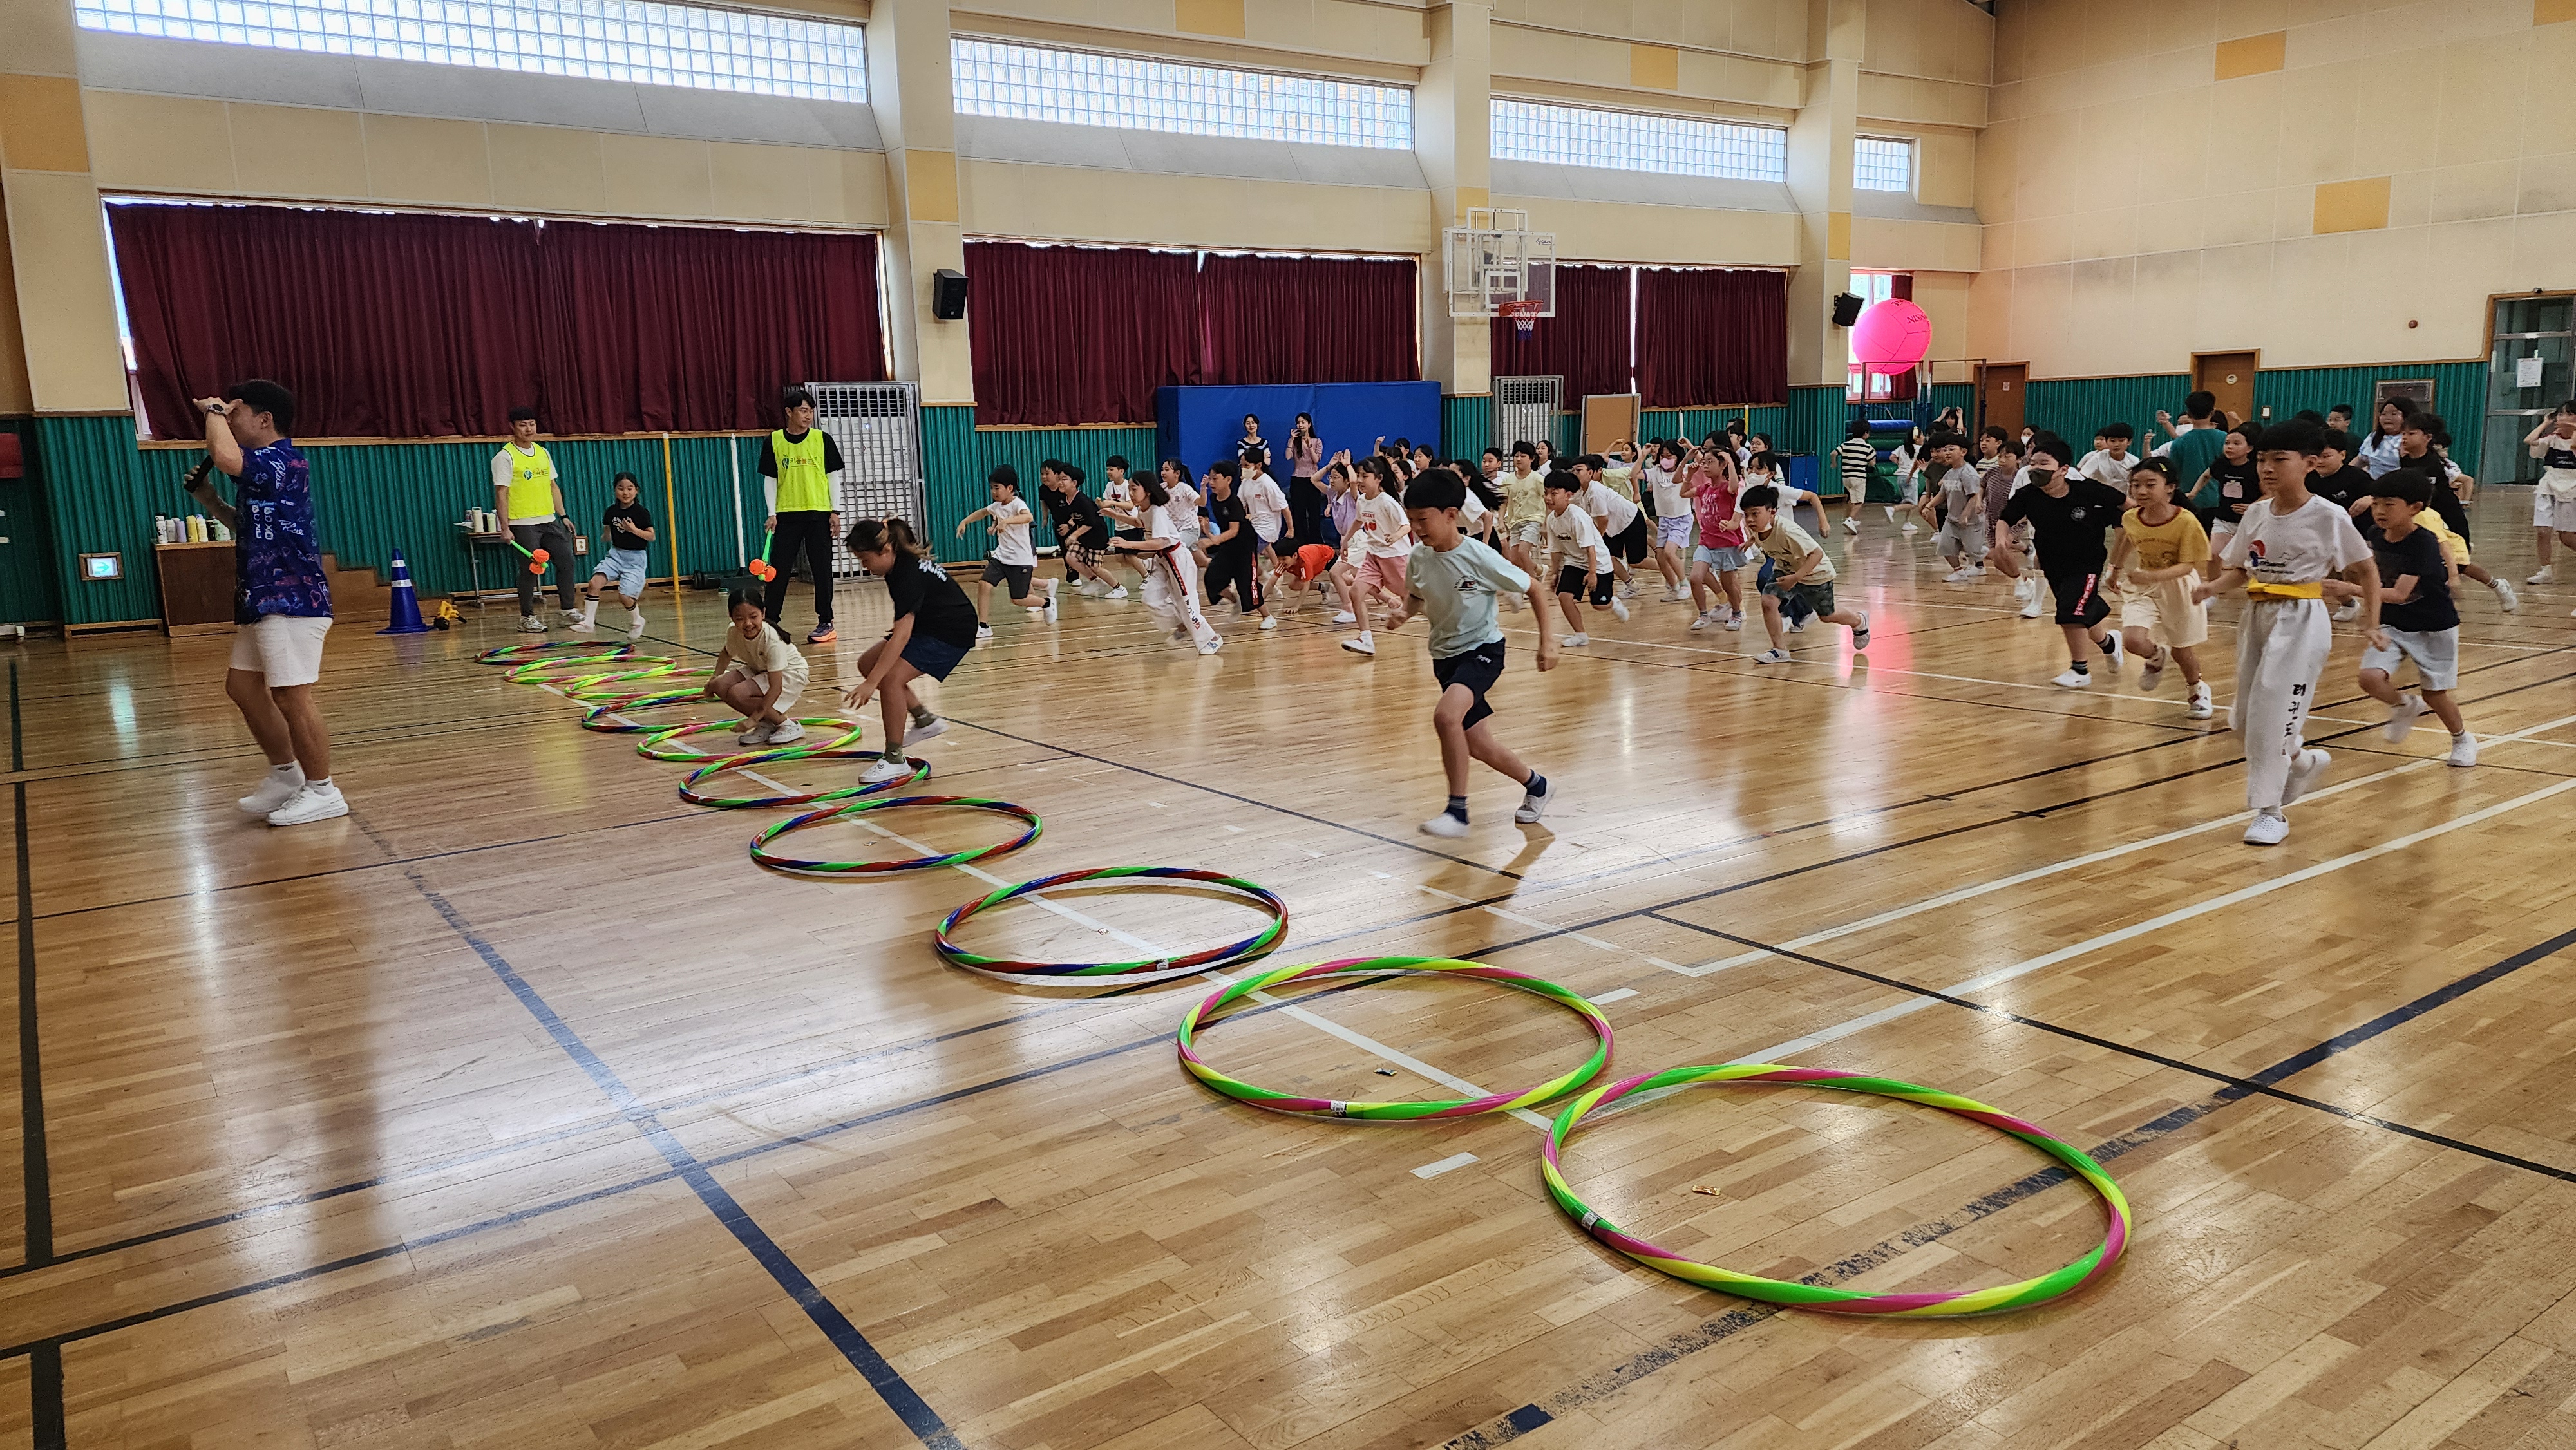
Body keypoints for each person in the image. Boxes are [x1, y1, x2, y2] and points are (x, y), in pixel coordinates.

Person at [2192, 419, 2379, 847]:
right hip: (2258, 616)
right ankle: (2302, 762)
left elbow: (2366, 569)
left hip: (2301, 620)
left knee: (2273, 716)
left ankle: (2270, 812)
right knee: (2244, 719)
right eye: (2262, 460)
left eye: (2279, 460)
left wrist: (2371, 622)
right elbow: (2241, 569)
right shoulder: (2257, 513)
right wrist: (2210, 588)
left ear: (2309, 463)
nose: (2267, 468)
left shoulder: (2328, 515)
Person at [187, 379, 345, 827]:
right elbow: (250, 526)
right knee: (243, 688)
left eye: (235, 413)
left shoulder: (282, 459)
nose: (228, 421)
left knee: (292, 696)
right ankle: (287, 775)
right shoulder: (263, 469)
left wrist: (213, 411)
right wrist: (210, 499)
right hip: (262, 597)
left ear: (264, 419)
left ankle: (324, 791)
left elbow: (224, 457)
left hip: (292, 597)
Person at [1368, 468, 1558, 837]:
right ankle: (1538, 786)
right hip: (1445, 657)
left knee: (1446, 717)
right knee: (1478, 744)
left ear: (1451, 514)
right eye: (1411, 520)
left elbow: (1534, 588)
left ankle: (1458, 812)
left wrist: (1547, 641)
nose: (1416, 528)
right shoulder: (1420, 557)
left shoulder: (1479, 556)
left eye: (1423, 519)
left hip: (1483, 649)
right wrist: (1403, 613)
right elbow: (1416, 595)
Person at [2344, 469, 2476, 767]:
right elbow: (2373, 578)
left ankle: (2461, 738)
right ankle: (2404, 705)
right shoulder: (2375, 535)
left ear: (2415, 508)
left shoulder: (2423, 542)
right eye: (2376, 504)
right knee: (2369, 677)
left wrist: (2350, 589)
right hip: (2393, 624)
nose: (2379, 511)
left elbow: (2400, 593)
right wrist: (2371, 621)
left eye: (2389, 505)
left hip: (2434, 626)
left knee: (2435, 695)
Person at [844, 518, 981, 782]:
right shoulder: (898, 565)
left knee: (890, 679)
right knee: (867, 664)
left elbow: (902, 636)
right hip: (929, 624)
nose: (864, 566)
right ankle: (924, 719)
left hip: (951, 632)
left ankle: (895, 758)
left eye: (865, 559)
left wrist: (872, 684)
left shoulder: (906, 574)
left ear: (886, 550)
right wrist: (871, 676)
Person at [1995, 437, 2128, 687]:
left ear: (2063, 469)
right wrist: (2001, 540)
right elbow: (2006, 518)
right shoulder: (2028, 495)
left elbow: (2127, 506)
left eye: (2044, 464)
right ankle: (2110, 644)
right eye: (2033, 463)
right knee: (2083, 613)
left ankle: (2080, 670)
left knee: (2071, 613)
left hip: (2087, 564)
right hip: (2053, 564)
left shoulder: (2088, 491)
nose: (2036, 469)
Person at [2101, 459, 2214, 720]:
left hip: (2179, 587)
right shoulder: (2131, 517)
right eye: (2135, 485)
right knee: (2132, 640)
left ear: (2170, 487)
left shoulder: (2186, 521)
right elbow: (2128, 539)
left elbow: (2187, 566)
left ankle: (2197, 689)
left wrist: (2152, 575)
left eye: (2150, 485)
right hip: (2143, 586)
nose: (2141, 491)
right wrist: (2115, 569)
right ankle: (2155, 657)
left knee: (2182, 650)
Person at [1743, 483, 1869, 664]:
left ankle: (1859, 621)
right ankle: (1780, 650)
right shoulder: (1758, 529)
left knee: (1827, 616)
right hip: (1786, 570)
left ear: (1772, 512)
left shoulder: (1788, 532)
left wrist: (1796, 578)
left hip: (1815, 574)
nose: (1750, 519)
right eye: (1746, 515)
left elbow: (1817, 554)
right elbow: (1763, 536)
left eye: (1755, 514)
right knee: (1768, 601)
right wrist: (1751, 541)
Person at [759, 386, 846, 645]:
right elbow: (770, 480)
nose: (808, 416)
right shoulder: (774, 441)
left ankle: (826, 622)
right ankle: (770, 620)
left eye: (811, 412)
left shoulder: (822, 439)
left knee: (822, 569)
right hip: (787, 515)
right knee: (778, 570)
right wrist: (772, 513)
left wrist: (835, 511)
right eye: (803, 411)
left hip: (819, 513)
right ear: (789, 412)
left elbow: (833, 477)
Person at [1112, 473, 1223, 655]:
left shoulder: (1158, 511)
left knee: (1186, 604)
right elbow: (1139, 522)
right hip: (1163, 560)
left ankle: (1211, 639)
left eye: (1134, 489)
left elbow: (1160, 542)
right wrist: (1114, 514)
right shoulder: (1144, 509)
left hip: (1177, 559)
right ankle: (1182, 623)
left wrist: (1129, 544)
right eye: (1129, 489)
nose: (1130, 493)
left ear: (1148, 491)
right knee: (1151, 599)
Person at [492, 405, 579, 633]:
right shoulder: (505, 457)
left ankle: (567, 611)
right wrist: (505, 527)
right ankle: (526, 617)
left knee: (566, 561)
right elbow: (501, 493)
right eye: (523, 425)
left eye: (532, 424)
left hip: (548, 520)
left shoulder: (543, 452)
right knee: (531, 568)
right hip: (522, 523)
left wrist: (563, 515)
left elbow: (553, 486)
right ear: (512, 427)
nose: (528, 429)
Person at [956, 464, 1055, 641]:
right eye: (992, 488)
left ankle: (1047, 603)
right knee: (984, 584)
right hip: (1001, 557)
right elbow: (982, 512)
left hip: (1020, 559)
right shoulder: (997, 506)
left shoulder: (1018, 504)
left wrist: (1007, 522)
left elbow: (1028, 517)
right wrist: (965, 522)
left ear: (1009, 488)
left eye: (997, 488)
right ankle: (984, 626)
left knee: (1018, 599)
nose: (993, 492)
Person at [706, 589, 810, 746]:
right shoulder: (733, 631)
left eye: (753, 617)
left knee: (738, 693)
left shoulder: (773, 641)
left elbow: (775, 688)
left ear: (763, 613)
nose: (748, 624)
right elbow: (726, 653)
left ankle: (787, 725)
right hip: (760, 668)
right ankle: (767, 724)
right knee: (719, 685)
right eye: (740, 619)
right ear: (731, 617)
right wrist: (712, 681)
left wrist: (753, 719)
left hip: (791, 672)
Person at [1336, 457, 1412, 656]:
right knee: (1356, 592)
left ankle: (1448, 625)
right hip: (1373, 555)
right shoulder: (1362, 500)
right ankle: (1366, 639)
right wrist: (1346, 541)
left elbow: (1406, 526)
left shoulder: (1388, 502)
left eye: (1365, 476)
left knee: (1413, 599)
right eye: (1358, 476)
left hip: (1395, 556)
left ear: (1379, 478)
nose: (1360, 480)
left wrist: (1395, 536)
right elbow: (1358, 521)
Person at [1541, 471, 1625, 646]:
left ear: (1568, 496)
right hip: (1575, 561)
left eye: (1554, 493)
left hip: (1598, 563)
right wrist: (1555, 573)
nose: (1548, 498)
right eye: (1546, 492)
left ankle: (1613, 603)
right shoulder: (1551, 520)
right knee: (1564, 597)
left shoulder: (1577, 517)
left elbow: (1590, 548)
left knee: (1599, 605)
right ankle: (1580, 635)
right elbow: (1556, 550)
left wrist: (1593, 573)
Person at [572, 471, 654, 639]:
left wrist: (633, 530)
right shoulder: (611, 511)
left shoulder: (641, 512)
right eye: (621, 488)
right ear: (615, 490)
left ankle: (637, 620)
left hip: (635, 558)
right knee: (594, 583)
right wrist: (605, 537)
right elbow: (607, 530)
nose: (626, 493)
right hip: (616, 555)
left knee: (625, 596)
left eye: (630, 488)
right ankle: (589, 622)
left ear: (636, 490)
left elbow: (651, 536)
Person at [1686, 445, 1749, 632]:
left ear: (1722, 465)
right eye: (1704, 462)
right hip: (1706, 542)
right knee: (1695, 578)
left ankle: (1737, 613)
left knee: (1728, 584)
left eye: (1710, 462)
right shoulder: (1704, 488)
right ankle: (1703, 615)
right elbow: (1683, 493)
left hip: (1726, 543)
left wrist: (1729, 461)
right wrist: (1688, 475)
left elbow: (1734, 486)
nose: (1705, 466)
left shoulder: (1727, 488)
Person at [1039, 461, 1122, 599]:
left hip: (1096, 536)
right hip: (1084, 535)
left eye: (1064, 479)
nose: (1060, 483)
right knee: (1071, 558)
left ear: (1074, 483)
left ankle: (1119, 588)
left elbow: (1090, 523)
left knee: (1096, 567)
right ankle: (1096, 581)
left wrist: (1073, 535)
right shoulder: (1067, 498)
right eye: (1059, 479)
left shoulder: (1082, 501)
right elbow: (1076, 518)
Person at [1575, 454, 1648, 598]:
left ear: (1590, 472)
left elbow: (1603, 519)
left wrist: (1597, 538)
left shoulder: (1596, 490)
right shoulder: (1581, 491)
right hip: (1614, 527)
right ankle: (1632, 586)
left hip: (1631, 519)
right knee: (1608, 556)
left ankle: (1669, 571)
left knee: (1637, 562)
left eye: (1579, 470)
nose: (1575, 473)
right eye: (1573, 471)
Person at [1197, 460, 1262, 620]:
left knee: (1247, 584)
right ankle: (1235, 602)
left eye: (1215, 479)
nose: (1212, 482)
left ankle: (1267, 616)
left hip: (1245, 546)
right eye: (1210, 479)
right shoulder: (1214, 499)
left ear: (1228, 480)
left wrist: (1213, 541)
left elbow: (1234, 530)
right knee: (1212, 578)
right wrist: (1210, 536)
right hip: (1229, 545)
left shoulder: (1234, 502)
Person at [1921, 431, 1987, 581]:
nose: (1947, 453)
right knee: (1945, 547)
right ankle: (1959, 572)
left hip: (1971, 522)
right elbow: (1942, 494)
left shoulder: (1968, 473)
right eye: (1946, 450)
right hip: (1952, 519)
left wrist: (1965, 515)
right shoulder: (1950, 474)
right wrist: (1928, 506)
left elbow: (1974, 496)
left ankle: (1985, 556)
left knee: (1973, 550)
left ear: (1963, 452)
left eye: (1952, 449)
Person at [2526, 404, 2576, 588]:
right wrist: (2545, 423)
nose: (2563, 418)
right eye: (2561, 414)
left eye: (2569, 414)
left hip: (2571, 488)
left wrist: (2573, 429)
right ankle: (2545, 571)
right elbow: (2529, 440)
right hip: (2548, 486)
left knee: (2567, 537)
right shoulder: (2551, 439)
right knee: (2542, 531)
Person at [2192, 425, 2262, 545]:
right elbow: (2206, 476)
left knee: (2244, 556)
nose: (2230, 447)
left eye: (2236, 444)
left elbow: (2269, 494)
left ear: (2249, 448)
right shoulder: (2221, 464)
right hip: (2224, 520)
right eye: (2227, 443)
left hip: (2250, 522)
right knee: (2215, 553)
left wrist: (2251, 507)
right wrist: (2194, 493)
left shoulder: (2256, 468)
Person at [1643, 440, 1692, 601]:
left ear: (1678, 457)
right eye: (1662, 456)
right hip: (1664, 519)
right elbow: (1634, 474)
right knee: (1660, 557)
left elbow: (1702, 461)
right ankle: (1674, 587)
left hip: (1681, 518)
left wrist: (1690, 448)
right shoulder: (1655, 471)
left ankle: (1685, 584)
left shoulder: (1685, 470)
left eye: (1669, 456)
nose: (1665, 459)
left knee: (1669, 552)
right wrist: (1642, 455)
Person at [1260, 541, 1340, 630]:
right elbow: (1271, 582)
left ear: (1295, 556)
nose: (1281, 562)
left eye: (1284, 559)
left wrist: (1296, 606)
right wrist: (1260, 602)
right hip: (1315, 559)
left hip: (1328, 556)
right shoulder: (1283, 564)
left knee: (1344, 580)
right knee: (1294, 585)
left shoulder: (1304, 563)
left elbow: (1306, 586)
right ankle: (1324, 587)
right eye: (1279, 559)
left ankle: (1352, 593)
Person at [1285, 413, 1327, 546]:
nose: (1300, 425)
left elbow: (1316, 460)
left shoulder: (1317, 441)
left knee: (1314, 512)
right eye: (1298, 423)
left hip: (1313, 480)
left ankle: (1316, 542)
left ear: (1309, 424)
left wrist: (1309, 446)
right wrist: (1291, 440)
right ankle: (1300, 542)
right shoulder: (1295, 442)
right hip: (1297, 479)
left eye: (1303, 422)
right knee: (1299, 513)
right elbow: (1288, 457)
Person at [1835, 419, 1876, 536]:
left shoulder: (1846, 444)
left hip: (1846, 477)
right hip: (1858, 477)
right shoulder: (1868, 447)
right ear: (1866, 433)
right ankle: (1850, 520)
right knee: (1859, 502)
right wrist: (1874, 454)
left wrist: (1834, 463)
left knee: (1851, 498)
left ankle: (1849, 518)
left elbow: (1834, 453)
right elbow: (1872, 464)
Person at [2355, 398, 2409, 476]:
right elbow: (2360, 460)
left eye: (2394, 414)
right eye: (2384, 414)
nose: (2388, 418)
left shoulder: (2408, 439)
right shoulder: (2373, 437)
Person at [2078, 422, 2139, 488]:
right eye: (2113, 441)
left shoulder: (2134, 461)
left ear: (2129, 442)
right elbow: (2082, 477)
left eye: (2121, 441)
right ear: (2106, 442)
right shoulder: (2097, 458)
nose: (2117, 445)